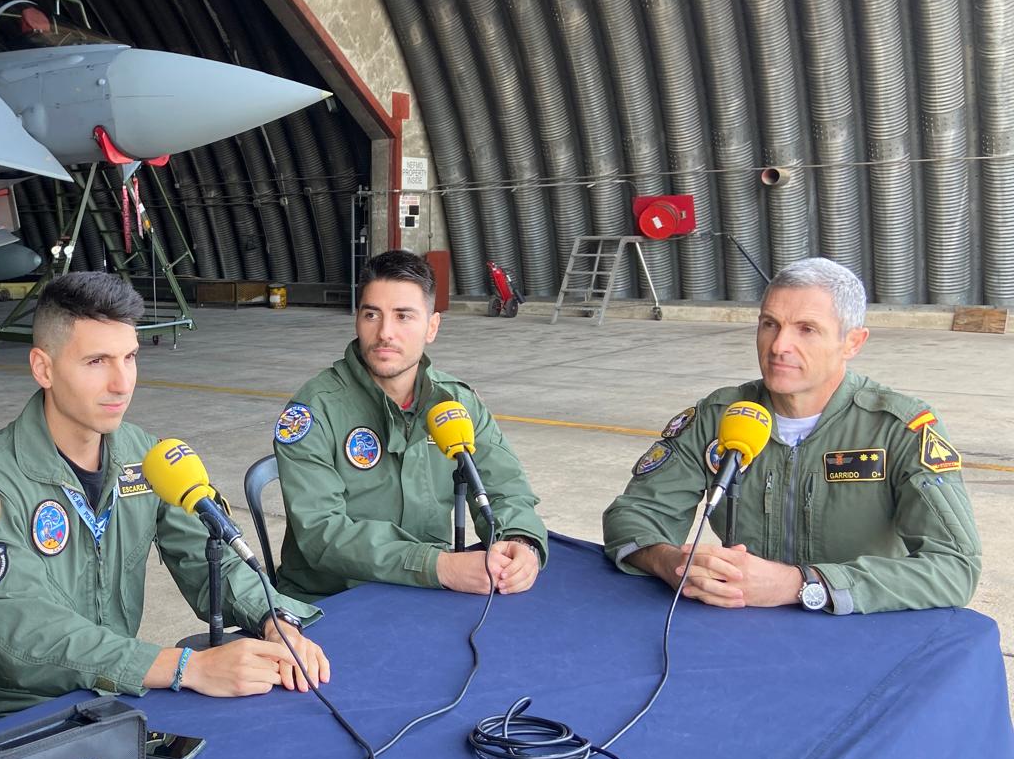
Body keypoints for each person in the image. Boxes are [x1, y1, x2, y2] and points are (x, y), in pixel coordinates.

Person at [0, 271, 330, 731]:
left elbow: (209, 555)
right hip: (19, 717)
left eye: (130, 357)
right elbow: (26, 637)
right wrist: (187, 668)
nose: (122, 383)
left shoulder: (146, 457)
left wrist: (273, 619)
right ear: (43, 368)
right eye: (97, 361)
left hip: (114, 697)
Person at [602, 257, 981, 614]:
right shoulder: (718, 416)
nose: (779, 346)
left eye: (807, 329)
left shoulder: (900, 428)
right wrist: (670, 561)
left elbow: (955, 567)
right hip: (738, 622)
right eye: (770, 324)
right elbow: (635, 514)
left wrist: (800, 584)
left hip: (859, 625)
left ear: (852, 342)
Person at [272, 249, 548, 601]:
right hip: (331, 600)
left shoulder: (456, 404)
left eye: (403, 316)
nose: (385, 332)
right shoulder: (314, 411)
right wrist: (440, 566)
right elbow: (322, 535)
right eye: (372, 314)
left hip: (429, 594)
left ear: (432, 327)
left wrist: (520, 543)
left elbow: (505, 488)